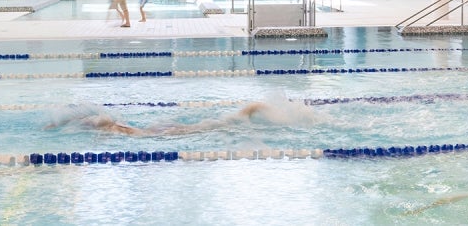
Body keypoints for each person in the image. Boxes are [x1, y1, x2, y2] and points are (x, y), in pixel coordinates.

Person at [45, 101, 288, 137]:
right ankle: (246, 113)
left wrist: (58, 124)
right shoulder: (110, 124)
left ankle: (247, 113)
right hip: (153, 130)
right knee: (204, 126)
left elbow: (83, 121)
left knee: (204, 128)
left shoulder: (109, 128)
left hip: (155, 134)